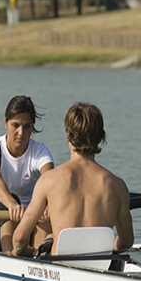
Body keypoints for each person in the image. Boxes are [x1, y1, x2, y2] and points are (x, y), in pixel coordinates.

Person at [12, 102, 134, 257]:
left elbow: (19, 237)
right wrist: (111, 246)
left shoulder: (49, 180)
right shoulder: (118, 185)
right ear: (101, 136)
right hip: (100, 264)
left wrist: (22, 252)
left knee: (50, 238)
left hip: (60, 265)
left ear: (68, 134)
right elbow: (127, 241)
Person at [0, 96, 54, 253]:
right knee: (11, 201)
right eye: (15, 125)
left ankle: (39, 259)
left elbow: (51, 180)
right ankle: (10, 257)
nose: (21, 133)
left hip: (26, 225)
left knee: (46, 209)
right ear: (5, 123)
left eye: (27, 126)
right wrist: (12, 205)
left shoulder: (40, 152)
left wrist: (47, 206)